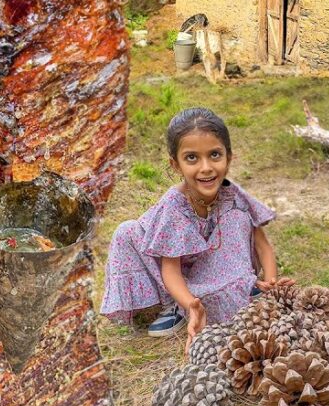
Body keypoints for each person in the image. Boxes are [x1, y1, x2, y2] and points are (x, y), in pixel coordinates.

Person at [98, 107, 293, 351]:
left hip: (216, 264)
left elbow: (262, 245)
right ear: (176, 165)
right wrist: (191, 304)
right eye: (192, 158)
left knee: (236, 215)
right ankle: (178, 305)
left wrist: (272, 283)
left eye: (214, 155)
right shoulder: (174, 206)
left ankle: (244, 286)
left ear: (228, 157)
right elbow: (170, 269)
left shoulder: (233, 194)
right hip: (177, 273)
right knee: (126, 231)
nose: (206, 168)